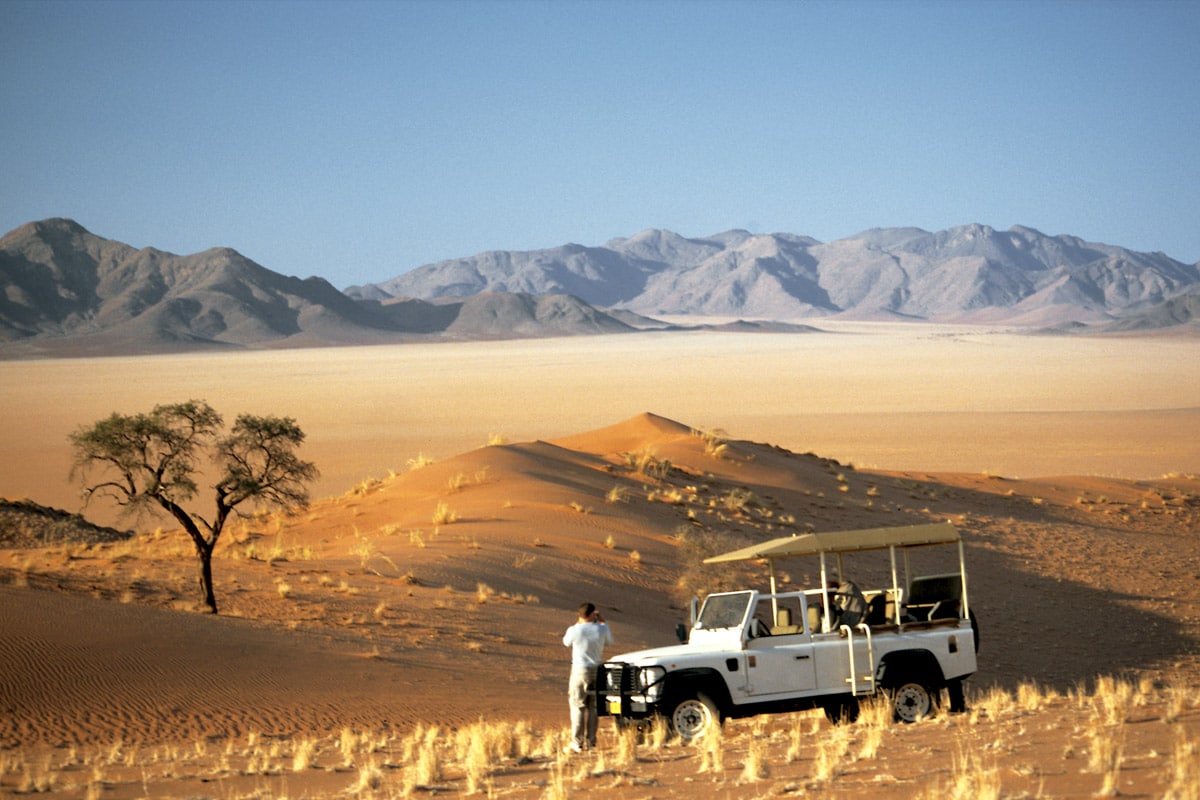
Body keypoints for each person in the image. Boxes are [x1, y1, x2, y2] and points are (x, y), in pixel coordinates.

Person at [562, 601, 613, 753]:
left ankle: (577, 743)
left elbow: (566, 642)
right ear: (592, 614)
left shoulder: (574, 630)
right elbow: (610, 642)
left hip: (579, 670)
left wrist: (578, 623)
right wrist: (603, 622)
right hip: (597, 670)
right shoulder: (602, 629)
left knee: (577, 706)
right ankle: (591, 742)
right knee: (593, 707)